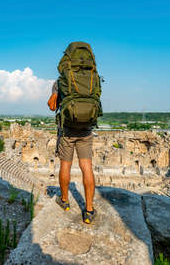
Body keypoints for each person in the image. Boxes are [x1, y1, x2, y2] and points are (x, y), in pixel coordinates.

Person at [47, 41, 102, 224]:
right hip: (86, 130)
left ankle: (64, 201)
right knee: (87, 167)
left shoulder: (61, 80)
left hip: (68, 130)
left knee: (65, 165)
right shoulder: (93, 77)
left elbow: (51, 105)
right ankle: (88, 210)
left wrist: (58, 95)